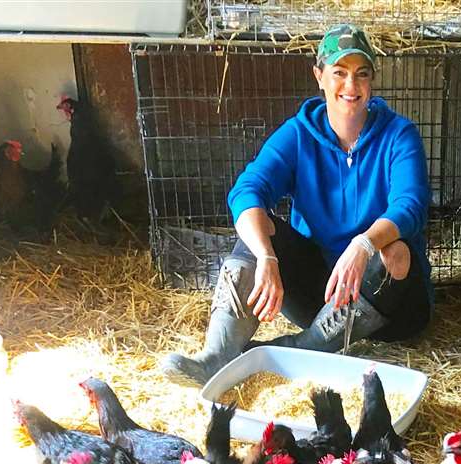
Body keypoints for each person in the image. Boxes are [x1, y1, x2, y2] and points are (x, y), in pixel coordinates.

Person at [162, 25, 433, 386]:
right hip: (324, 298)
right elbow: (246, 191)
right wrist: (266, 257)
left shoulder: (399, 134)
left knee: (394, 250)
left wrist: (364, 244)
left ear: (372, 81)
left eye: (361, 74)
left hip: (393, 306)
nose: (350, 87)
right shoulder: (298, 134)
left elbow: (411, 205)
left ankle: (301, 349)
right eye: (339, 73)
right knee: (260, 225)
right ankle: (217, 356)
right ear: (319, 77)